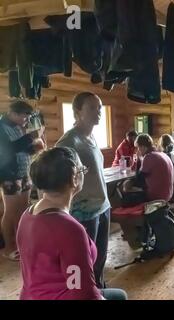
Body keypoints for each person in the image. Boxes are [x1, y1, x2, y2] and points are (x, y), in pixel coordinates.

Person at [17, 147, 127, 300]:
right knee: (120, 296)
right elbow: (82, 292)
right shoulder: (69, 230)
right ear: (74, 178)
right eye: (82, 169)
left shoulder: (28, 215)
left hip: (31, 295)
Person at [56, 92, 110, 288]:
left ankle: (100, 289)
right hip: (84, 210)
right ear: (77, 111)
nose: (98, 112)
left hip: (103, 205)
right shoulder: (68, 142)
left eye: (100, 108)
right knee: (86, 261)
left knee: (101, 258)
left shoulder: (92, 137)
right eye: (92, 108)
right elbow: (60, 178)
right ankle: (89, 292)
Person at [0, 100, 45, 261]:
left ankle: (21, 244)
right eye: (25, 117)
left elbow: (22, 149)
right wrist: (30, 137)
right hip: (8, 175)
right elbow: (7, 150)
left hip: (24, 173)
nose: (26, 121)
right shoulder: (1, 127)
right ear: (14, 113)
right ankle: (8, 248)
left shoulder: (18, 127)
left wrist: (35, 147)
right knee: (10, 212)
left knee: (22, 210)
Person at [132, 134, 174, 202]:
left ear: (143, 147)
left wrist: (138, 160)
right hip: (168, 194)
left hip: (157, 196)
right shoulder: (162, 154)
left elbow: (138, 181)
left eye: (138, 147)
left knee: (127, 191)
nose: (137, 151)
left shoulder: (149, 157)